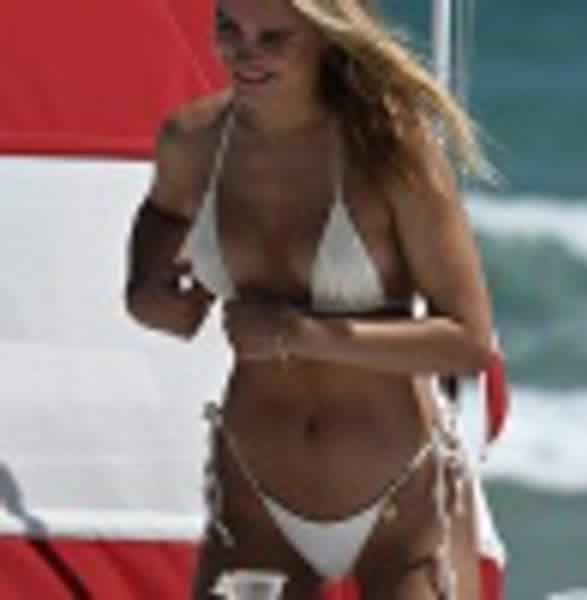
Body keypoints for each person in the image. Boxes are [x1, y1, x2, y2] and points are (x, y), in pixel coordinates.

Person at [124, 0, 497, 597]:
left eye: (273, 38)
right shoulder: (193, 142)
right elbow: (153, 274)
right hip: (255, 499)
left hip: (400, 502)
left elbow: (467, 341)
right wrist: (157, 302)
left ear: (326, 37)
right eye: (229, 28)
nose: (244, 52)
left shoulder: (389, 147)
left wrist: (296, 334)